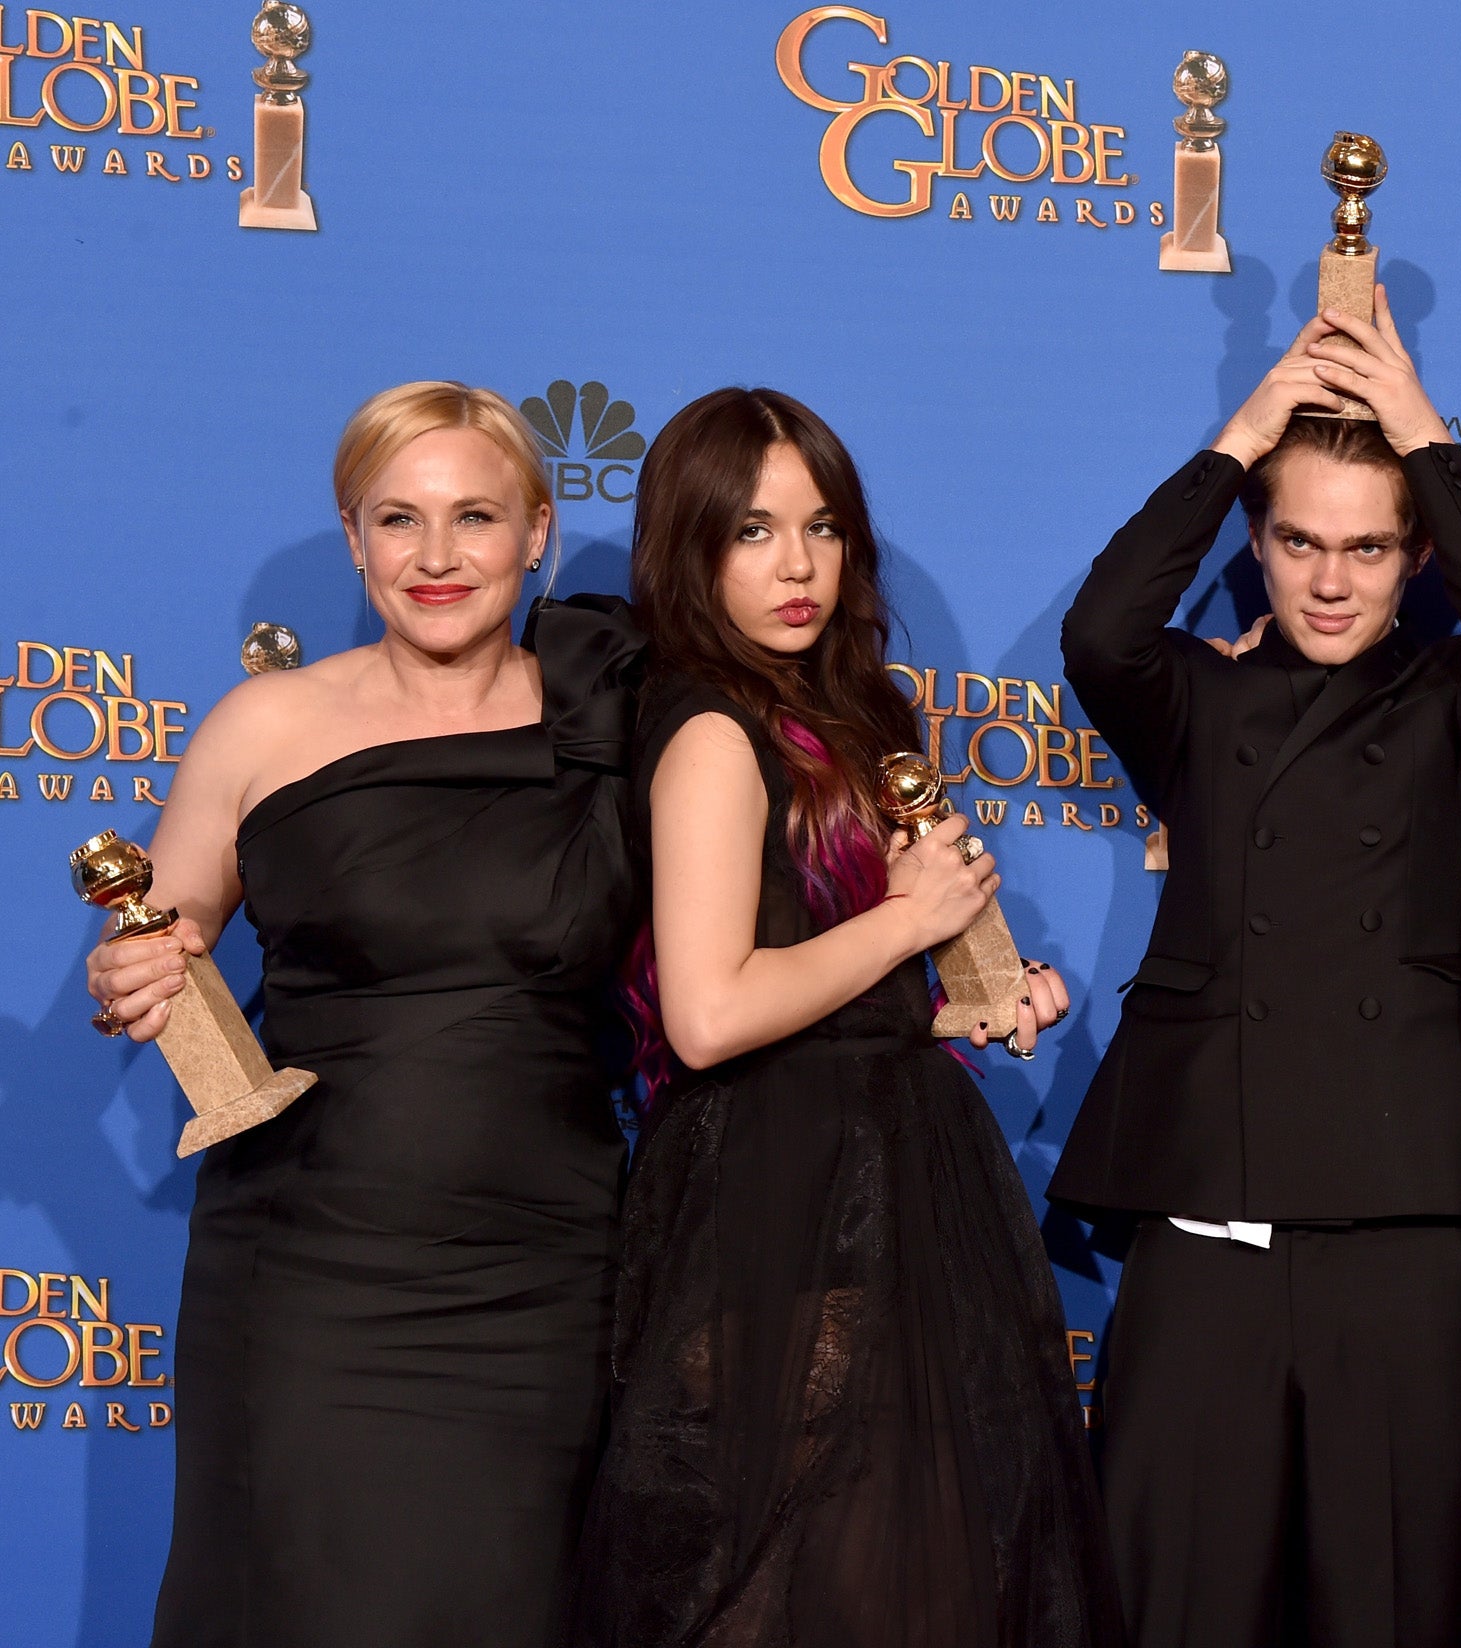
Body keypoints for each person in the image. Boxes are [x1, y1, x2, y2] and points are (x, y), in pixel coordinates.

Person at [83, 382, 646, 1647]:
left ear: (539, 531)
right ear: (353, 539)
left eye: (475, 517)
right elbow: (154, 937)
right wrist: (123, 979)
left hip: (545, 1274)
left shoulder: (616, 723)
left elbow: (742, 921)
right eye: (398, 519)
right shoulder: (264, 726)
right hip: (308, 1277)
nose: (436, 557)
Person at [1051, 292, 1461, 1648]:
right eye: (1297, 542)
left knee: (1394, 1610)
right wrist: (1242, 433)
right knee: (1167, 1608)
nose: (1332, 581)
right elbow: (1102, 630)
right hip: (1206, 1227)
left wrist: (1419, 429)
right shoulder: (1196, 698)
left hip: (1402, 1235)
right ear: (1257, 545)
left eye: (1370, 549)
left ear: (1417, 561)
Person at [569, 387, 1122, 1648]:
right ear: (688, 545)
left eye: (820, 528)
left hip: (891, 1176)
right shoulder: (709, 728)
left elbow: (814, 990)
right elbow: (708, 1014)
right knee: (771, 1577)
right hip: (771, 1195)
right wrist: (908, 925)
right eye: (753, 531)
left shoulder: (854, 715)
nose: (797, 565)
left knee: (903, 1577)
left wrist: (954, 1007)